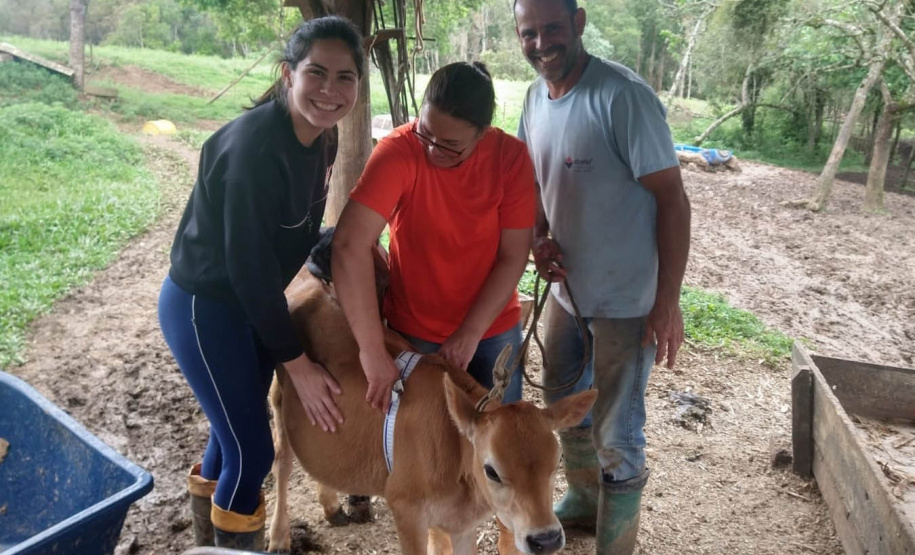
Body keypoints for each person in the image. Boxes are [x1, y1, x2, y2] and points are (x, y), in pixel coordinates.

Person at [156, 16, 364, 550]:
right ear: (287, 73)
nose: (329, 90)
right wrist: (299, 366)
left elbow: (288, 230)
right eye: (316, 72)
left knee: (230, 435)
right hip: (207, 306)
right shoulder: (253, 151)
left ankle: (208, 536)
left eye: (345, 77)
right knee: (251, 448)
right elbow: (248, 271)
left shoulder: (324, 137)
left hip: (250, 301)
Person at [513, 0, 692, 553]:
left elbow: (673, 200)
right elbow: (534, 184)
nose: (541, 43)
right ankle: (586, 500)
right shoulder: (532, 99)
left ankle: (617, 541)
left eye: (552, 29)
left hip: (626, 298)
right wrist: (540, 240)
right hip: (568, 294)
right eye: (529, 32)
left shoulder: (622, 96)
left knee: (618, 427)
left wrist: (668, 300)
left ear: (579, 23)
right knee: (564, 405)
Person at [332, 61, 536, 414]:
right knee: (424, 449)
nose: (432, 151)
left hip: (491, 326)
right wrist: (372, 349)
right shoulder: (398, 150)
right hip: (416, 330)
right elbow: (350, 244)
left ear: (483, 132)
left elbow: (513, 255)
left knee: (499, 444)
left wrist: (471, 331)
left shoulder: (510, 158)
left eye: (451, 145)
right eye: (425, 132)